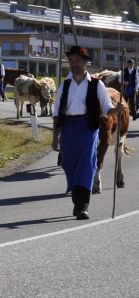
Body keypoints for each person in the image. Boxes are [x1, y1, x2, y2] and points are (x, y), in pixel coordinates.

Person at [51, 45, 117, 220]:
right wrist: (54, 138)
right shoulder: (64, 85)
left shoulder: (97, 84)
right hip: (69, 128)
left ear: (86, 62)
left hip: (89, 127)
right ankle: (77, 201)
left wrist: (116, 110)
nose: (73, 64)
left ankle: (82, 207)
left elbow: (107, 107)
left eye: (77, 60)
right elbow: (57, 113)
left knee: (86, 164)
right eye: (71, 61)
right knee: (69, 165)